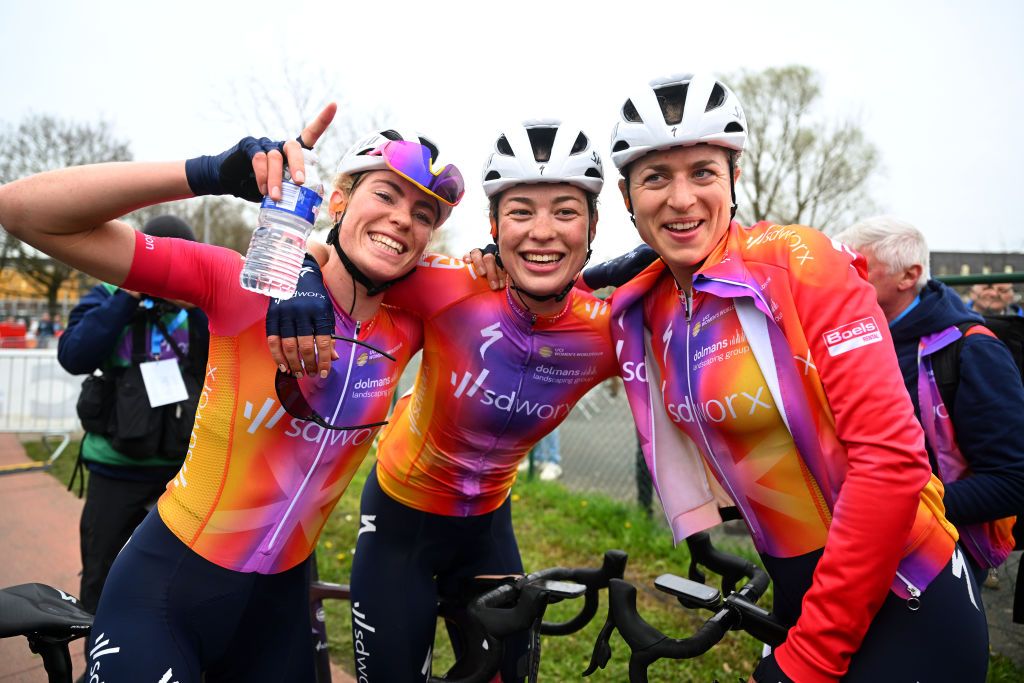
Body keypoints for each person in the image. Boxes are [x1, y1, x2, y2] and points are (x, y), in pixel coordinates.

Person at [0, 103, 466, 682]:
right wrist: (207, 174)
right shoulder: (240, 284)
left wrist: (492, 262)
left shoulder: (412, 322)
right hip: (166, 590)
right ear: (339, 199)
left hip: (278, 614)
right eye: (387, 196)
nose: (403, 219)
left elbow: (514, 280)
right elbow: (21, 211)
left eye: (424, 213)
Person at [605, 74, 988, 682]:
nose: (681, 199)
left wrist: (813, 652)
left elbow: (891, 465)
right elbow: (543, 318)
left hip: (904, 591)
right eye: (656, 178)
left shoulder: (803, 263)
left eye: (702, 172)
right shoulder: (649, 305)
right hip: (794, 591)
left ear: (733, 181)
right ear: (628, 198)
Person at [268, 120, 620, 682]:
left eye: (566, 211)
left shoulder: (608, 332)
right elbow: (348, 251)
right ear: (495, 225)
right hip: (399, 525)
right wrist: (305, 271)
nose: (543, 232)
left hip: (488, 529)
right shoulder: (451, 286)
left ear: (594, 224)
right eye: (522, 211)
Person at [833, 216, 1024, 586]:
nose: (842, 280)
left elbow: (1013, 479)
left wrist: (900, 509)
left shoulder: (973, 351)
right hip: (857, 540)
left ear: (908, 276)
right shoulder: (853, 341)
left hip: (940, 555)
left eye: (859, 268)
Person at [58, 215, 211, 618]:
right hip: (115, 469)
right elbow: (74, 356)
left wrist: (194, 304)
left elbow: (229, 361)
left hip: (184, 472)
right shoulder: (106, 295)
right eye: (163, 261)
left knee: (180, 582)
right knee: (101, 578)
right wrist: (128, 295)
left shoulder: (202, 307)